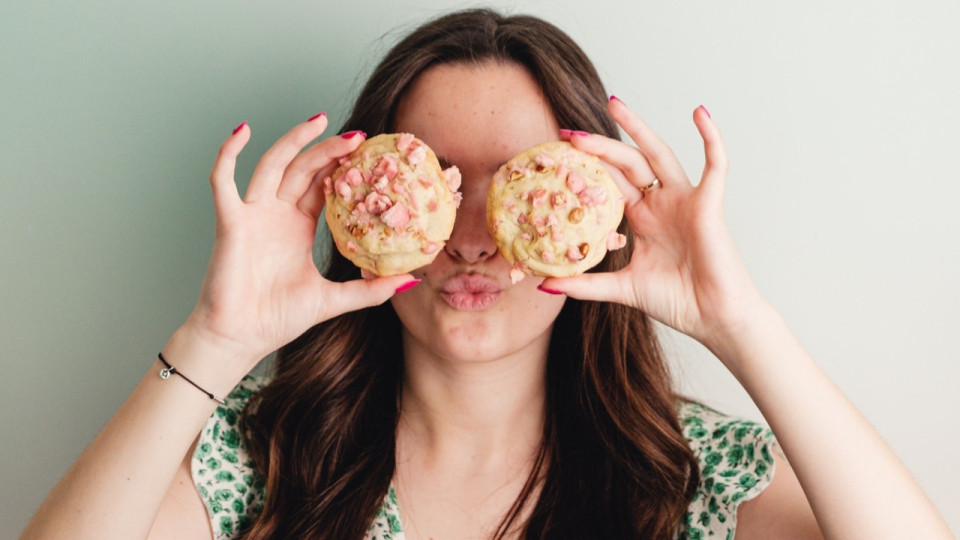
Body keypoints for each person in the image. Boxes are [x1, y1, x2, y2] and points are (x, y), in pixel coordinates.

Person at [20, 8, 952, 540]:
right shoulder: (262, 460)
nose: (470, 240)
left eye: (514, 186)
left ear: (595, 217)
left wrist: (739, 321)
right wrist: (213, 341)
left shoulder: (694, 477)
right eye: (436, 181)